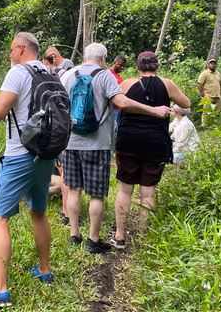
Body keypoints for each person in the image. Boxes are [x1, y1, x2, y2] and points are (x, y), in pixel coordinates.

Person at [0, 32, 55, 307]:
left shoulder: (17, 72)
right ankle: (43, 270)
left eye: (10, 49)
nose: (9, 54)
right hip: (46, 154)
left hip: (19, 156)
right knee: (38, 211)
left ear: (20, 48)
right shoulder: (51, 73)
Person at [60, 43, 171, 254]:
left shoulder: (68, 75)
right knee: (96, 195)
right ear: (103, 57)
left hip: (71, 142)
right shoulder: (104, 76)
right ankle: (93, 240)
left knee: (74, 189)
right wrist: (153, 110)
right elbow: (122, 102)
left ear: (84, 56)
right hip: (97, 144)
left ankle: (74, 235)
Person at [110, 51, 190, 250]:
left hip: (129, 141)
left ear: (138, 67)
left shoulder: (126, 84)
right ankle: (144, 239)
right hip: (156, 143)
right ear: (157, 66)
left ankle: (120, 236)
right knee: (148, 194)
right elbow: (187, 104)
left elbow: (113, 102)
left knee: (125, 189)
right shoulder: (167, 84)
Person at [198, 59, 221, 125]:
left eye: (214, 64)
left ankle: (213, 125)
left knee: (216, 112)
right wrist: (203, 94)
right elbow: (199, 84)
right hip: (208, 96)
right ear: (208, 65)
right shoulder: (205, 73)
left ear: (216, 65)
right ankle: (204, 125)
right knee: (206, 112)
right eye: (211, 63)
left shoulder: (218, 74)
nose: (212, 65)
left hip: (217, 96)